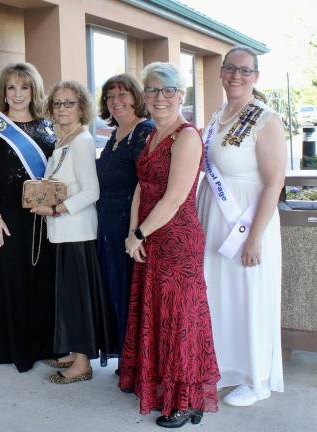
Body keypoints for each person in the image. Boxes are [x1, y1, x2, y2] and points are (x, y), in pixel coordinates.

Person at [119, 62, 220, 428]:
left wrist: (140, 234)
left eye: (168, 90)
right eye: (152, 90)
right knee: (157, 314)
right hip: (149, 236)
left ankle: (186, 401)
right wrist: (133, 234)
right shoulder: (151, 136)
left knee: (179, 319)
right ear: (144, 96)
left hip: (177, 241)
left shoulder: (187, 136)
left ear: (181, 95)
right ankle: (164, 387)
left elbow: (175, 197)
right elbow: (141, 189)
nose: (160, 98)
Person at [197, 46, 286, 407]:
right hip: (214, 216)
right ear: (221, 72)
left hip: (248, 221)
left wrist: (255, 238)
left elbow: (274, 181)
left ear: (256, 77)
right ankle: (223, 368)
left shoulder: (265, 118)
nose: (236, 76)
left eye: (245, 71)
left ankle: (256, 378)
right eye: (230, 69)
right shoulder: (219, 114)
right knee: (219, 294)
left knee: (249, 296)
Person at [31, 81, 115, 384]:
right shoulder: (63, 139)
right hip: (63, 232)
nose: (62, 109)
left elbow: (92, 191)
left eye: (69, 103)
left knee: (78, 300)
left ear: (81, 107)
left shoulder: (81, 141)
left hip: (77, 233)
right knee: (68, 298)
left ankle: (81, 364)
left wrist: (55, 209)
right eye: (57, 103)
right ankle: (73, 354)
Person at [0, 62, 57, 372]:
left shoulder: (48, 125)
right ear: (4, 91)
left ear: (34, 90)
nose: (17, 93)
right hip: (6, 215)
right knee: (10, 278)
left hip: (41, 215)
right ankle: (12, 345)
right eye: (11, 87)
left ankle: (43, 344)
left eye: (24, 87)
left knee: (41, 279)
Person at [96, 74, 154, 365]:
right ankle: (126, 362)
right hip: (107, 226)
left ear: (136, 97)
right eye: (110, 97)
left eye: (122, 95)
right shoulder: (114, 135)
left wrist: (137, 232)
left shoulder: (145, 132)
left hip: (129, 229)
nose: (116, 101)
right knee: (115, 292)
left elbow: (148, 185)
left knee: (131, 296)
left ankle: (137, 365)